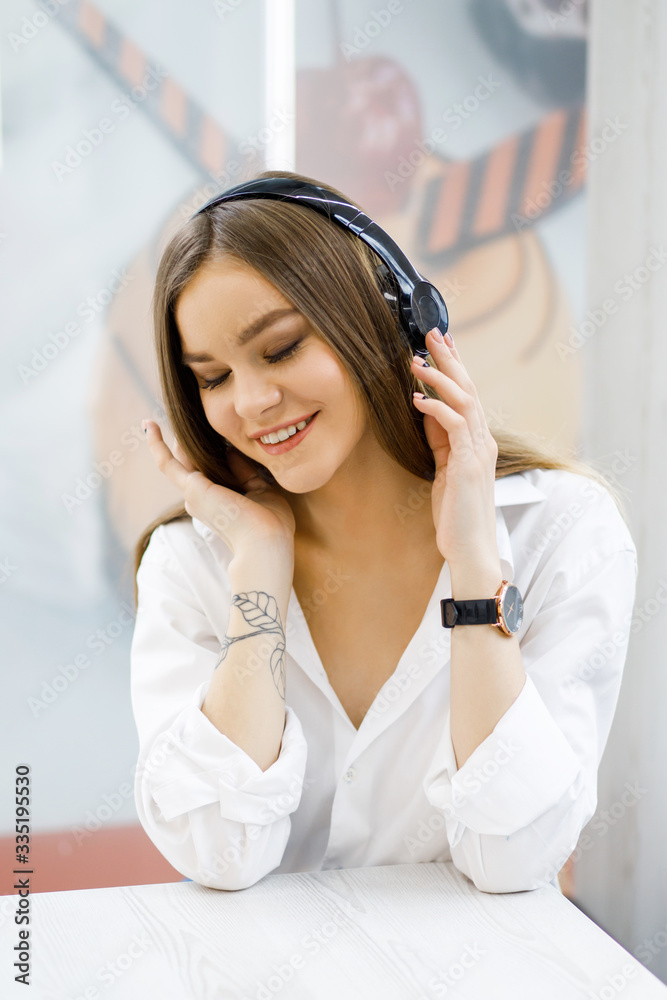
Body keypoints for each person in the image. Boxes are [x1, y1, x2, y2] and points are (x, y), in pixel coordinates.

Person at [130, 169, 637, 894]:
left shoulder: (563, 531)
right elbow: (216, 853)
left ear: (389, 320)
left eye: (279, 348)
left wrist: (473, 561)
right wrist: (260, 577)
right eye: (212, 378)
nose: (252, 402)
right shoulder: (192, 563)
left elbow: (514, 858)